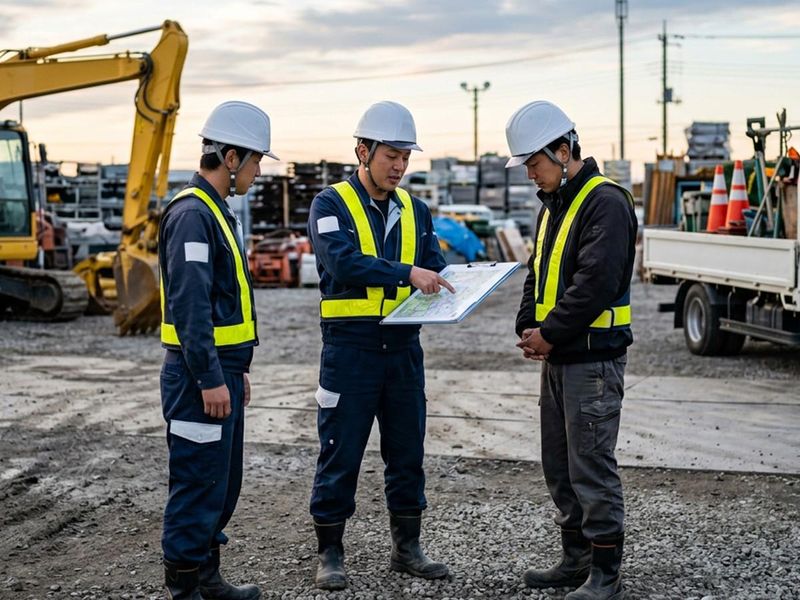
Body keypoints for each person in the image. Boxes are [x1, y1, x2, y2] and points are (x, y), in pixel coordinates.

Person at [306, 100, 455, 591]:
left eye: (405, 157)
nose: (399, 166)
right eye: (391, 155)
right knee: (340, 452)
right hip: (350, 351)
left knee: (407, 452)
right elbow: (343, 263)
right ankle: (330, 553)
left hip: (404, 350)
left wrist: (466, 285)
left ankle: (407, 549)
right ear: (363, 151)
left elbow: (435, 266)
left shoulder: (416, 210)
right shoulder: (330, 204)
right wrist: (408, 273)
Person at [505, 100, 637, 600]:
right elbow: (537, 271)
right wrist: (527, 325)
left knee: (591, 467)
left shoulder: (606, 202)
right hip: (562, 357)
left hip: (593, 361)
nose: (530, 175)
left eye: (534, 163)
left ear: (564, 151)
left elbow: (595, 283)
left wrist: (551, 332)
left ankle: (605, 574)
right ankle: (576, 558)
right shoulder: (554, 204)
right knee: (560, 465)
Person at [158, 100, 279, 600]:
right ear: (231, 158)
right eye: (255, 161)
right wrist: (209, 376)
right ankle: (185, 588)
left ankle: (207, 579)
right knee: (196, 483)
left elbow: (222, 304)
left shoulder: (214, 212)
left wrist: (235, 367)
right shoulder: (192, 215)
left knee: (219, 485)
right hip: (196, 377)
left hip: (219, 370)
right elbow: (190, 307)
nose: (257, 171)